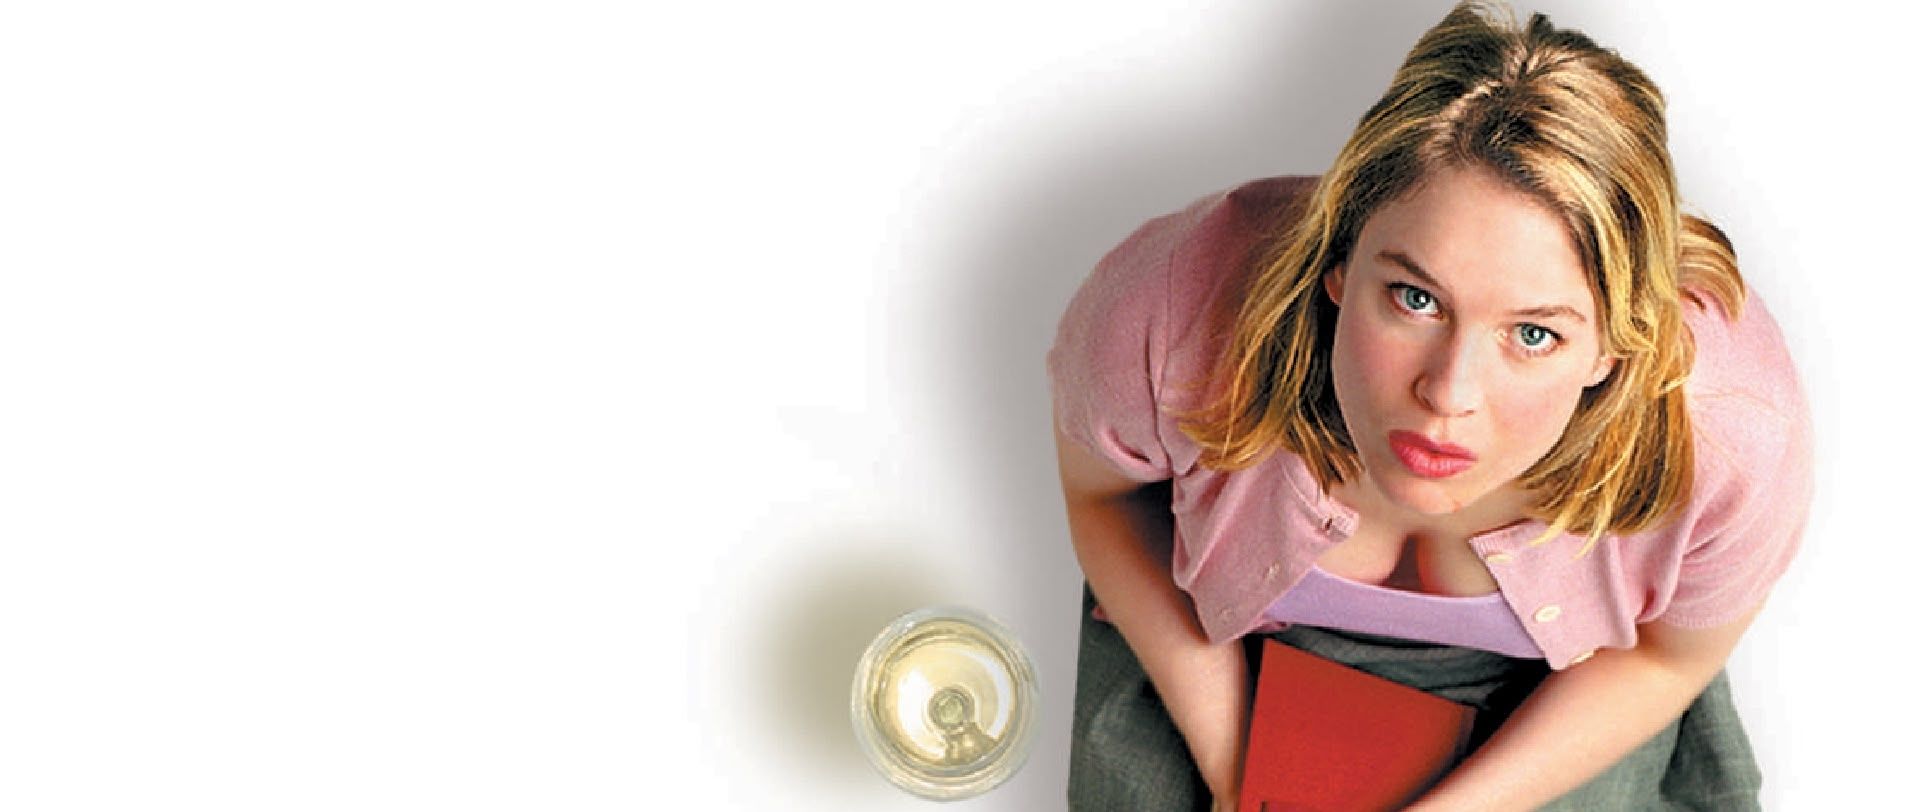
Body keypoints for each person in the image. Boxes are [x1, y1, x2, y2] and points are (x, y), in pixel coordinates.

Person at [1046, 3, 1812, 810]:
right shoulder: (1171, 309)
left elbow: (1666, 657)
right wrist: (1241, 768)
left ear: (1613, 347)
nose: (1448, 394)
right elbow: (1106, 501)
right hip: (1219, 641)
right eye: (1415, 298)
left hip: (1569, 685)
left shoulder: (1732, 431)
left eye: (1534, 335)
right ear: (1339, 259)